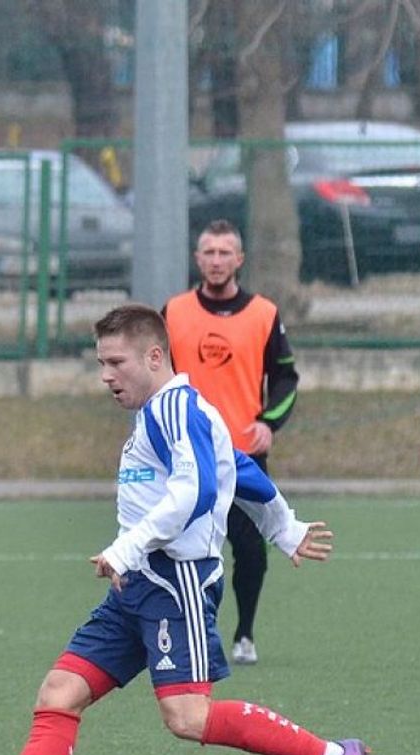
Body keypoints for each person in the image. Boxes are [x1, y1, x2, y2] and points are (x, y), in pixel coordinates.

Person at [0, 304, 369, 755]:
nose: (105, 376)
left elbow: (197, 491)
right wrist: (284, 526)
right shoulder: (165, 413)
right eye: (100, 363)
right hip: (136, 587)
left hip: (176, 584)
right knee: (60, 693)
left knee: (188, 717)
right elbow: (237, 466)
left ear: (154, 357)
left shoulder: (175, 408)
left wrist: (127, 546)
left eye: (116, 362)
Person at [163, 220, 299, 665]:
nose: (217, 260)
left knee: (250, 550)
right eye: (209, 252)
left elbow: (286, 378)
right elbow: (156, 376)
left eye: (225, 253)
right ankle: (188, 632)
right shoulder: (174, 312)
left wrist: (269, 423)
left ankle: (244, 634)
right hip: (187, 455)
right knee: (182, 549)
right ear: (197, 258)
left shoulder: (263, 314)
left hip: (243, 456)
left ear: (239, 259)